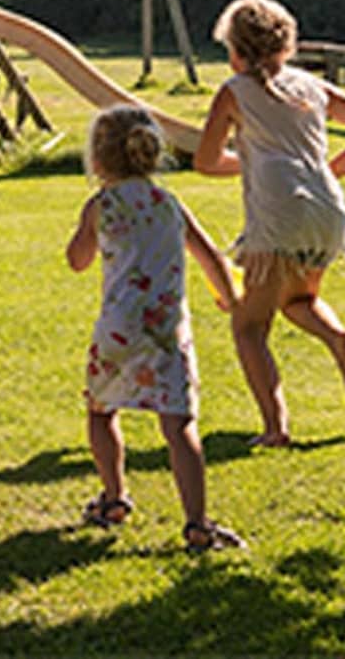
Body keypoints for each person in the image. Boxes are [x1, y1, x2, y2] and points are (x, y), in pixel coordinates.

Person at [192, 0, 345, 448]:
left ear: (237, 52)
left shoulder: (234, 92)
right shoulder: (311, 86)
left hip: (279, 213)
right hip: (326, 208)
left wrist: (249, 160)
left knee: (249, 327)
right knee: (297, 300)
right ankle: (339, 337)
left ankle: (275, 427)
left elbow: (205, 162)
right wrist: (326, 173)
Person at [68, 103, 245, 552]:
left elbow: (77, 260)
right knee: (179, 424)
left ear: (98, 159)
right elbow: (210, 256)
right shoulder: (169, 204)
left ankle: (113, 497)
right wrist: (227, 296)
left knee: (101, 411)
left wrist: (86, 231)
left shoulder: (101, 205)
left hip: (118, 330)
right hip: (167, 331)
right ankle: (197, 523)